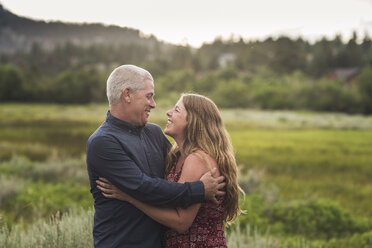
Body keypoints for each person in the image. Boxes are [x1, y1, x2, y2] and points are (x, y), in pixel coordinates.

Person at [86, 65, 225, 248]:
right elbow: (142, 187)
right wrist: (199, 190)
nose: (154, 104)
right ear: (127, 95)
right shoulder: (103, 142)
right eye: (149, 96)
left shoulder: (153, 132)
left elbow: (178, 171)